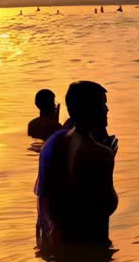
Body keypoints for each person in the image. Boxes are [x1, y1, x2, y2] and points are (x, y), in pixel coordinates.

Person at [36, 81, 118, 245]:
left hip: (53, 239)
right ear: (92, 110)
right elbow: (108, 204)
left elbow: (47, 193)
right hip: (90, 244)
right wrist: (110, 159)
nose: (107, 110)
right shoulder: (100, 153)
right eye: (103, 104)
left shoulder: (54, 142)